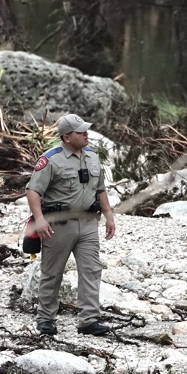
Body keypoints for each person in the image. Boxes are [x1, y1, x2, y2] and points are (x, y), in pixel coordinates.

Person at [25, 113, 117, 336]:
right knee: (52, 273)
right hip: (58, 225)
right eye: (81, 131)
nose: (86, 134)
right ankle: (46, 319)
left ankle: (89, 320)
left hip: (88, 223)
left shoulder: (92, 157)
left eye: (86, 130)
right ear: (67, 137)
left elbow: (100, 188)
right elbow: (33, 191)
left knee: (92, 270)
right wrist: (39, 220)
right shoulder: (51, 159)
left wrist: (109, 216)